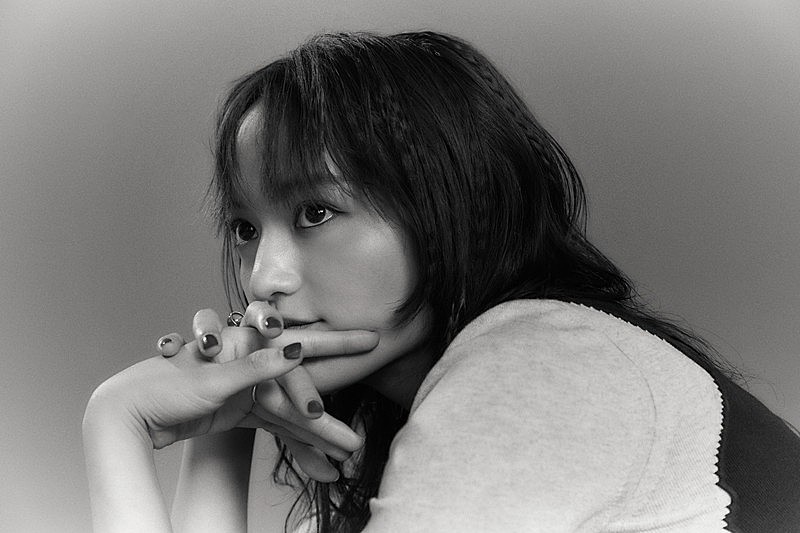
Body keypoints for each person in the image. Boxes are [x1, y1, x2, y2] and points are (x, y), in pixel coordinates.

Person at [82, 31, 800, 532]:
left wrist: (117, 426)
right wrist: (220, 429)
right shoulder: (403, 448)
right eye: (244, 228)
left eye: (315, 212)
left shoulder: (538, 362)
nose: (262, 278)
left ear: (448, 209)